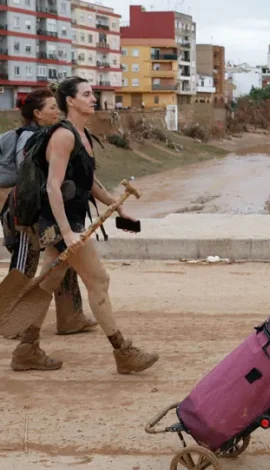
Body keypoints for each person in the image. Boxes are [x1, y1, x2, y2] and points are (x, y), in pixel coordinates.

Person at [9, 77, 159, 374]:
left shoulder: (82, 134)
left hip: (70, 222)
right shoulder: (63, 136)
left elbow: (87, 181)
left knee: (48, 282)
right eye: (87, 94)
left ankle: (26, 349)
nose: (94, 98)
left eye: (93, 94)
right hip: (60, 224)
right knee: (99, 281)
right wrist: (66, 232)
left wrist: (116, 206)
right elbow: (53, 187)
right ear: (71, 101)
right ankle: (123, 352)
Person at [1, 88, 98, 340]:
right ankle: (10, 320)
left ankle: (70, 317)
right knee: (24, 267)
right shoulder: (30, 138)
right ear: (37, 113)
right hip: (25, 215)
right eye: (52, 108)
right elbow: (30, 180)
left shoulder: (51, 134)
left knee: (62, 263)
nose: (57, 112)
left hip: (43, 213)